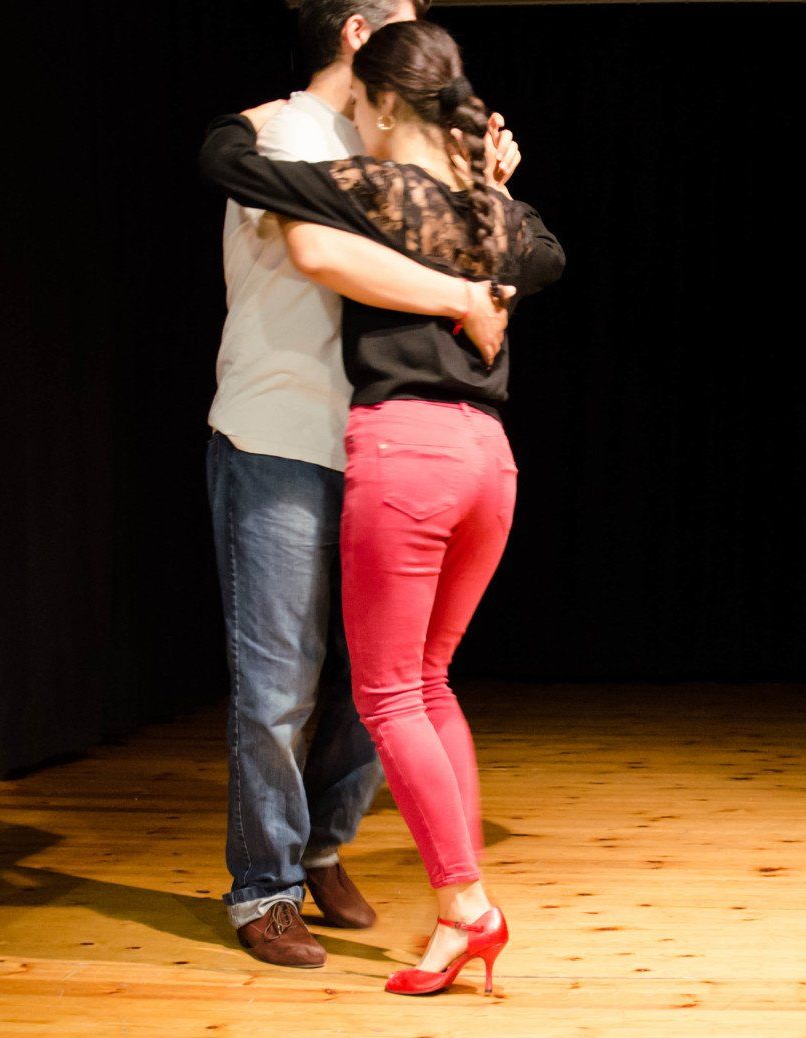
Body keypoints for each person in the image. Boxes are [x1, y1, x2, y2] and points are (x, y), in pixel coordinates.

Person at [200, 19, 565, 994]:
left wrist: (239, 128)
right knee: (402, 685)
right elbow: (544, 256)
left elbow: (254, 186)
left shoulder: (376, 181)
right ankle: (323, 886)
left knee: (389, 694)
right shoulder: (465, 197)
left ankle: (450, 900)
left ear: (389, 100)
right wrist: (479, 248)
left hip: (403, 453)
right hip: (465, 455)